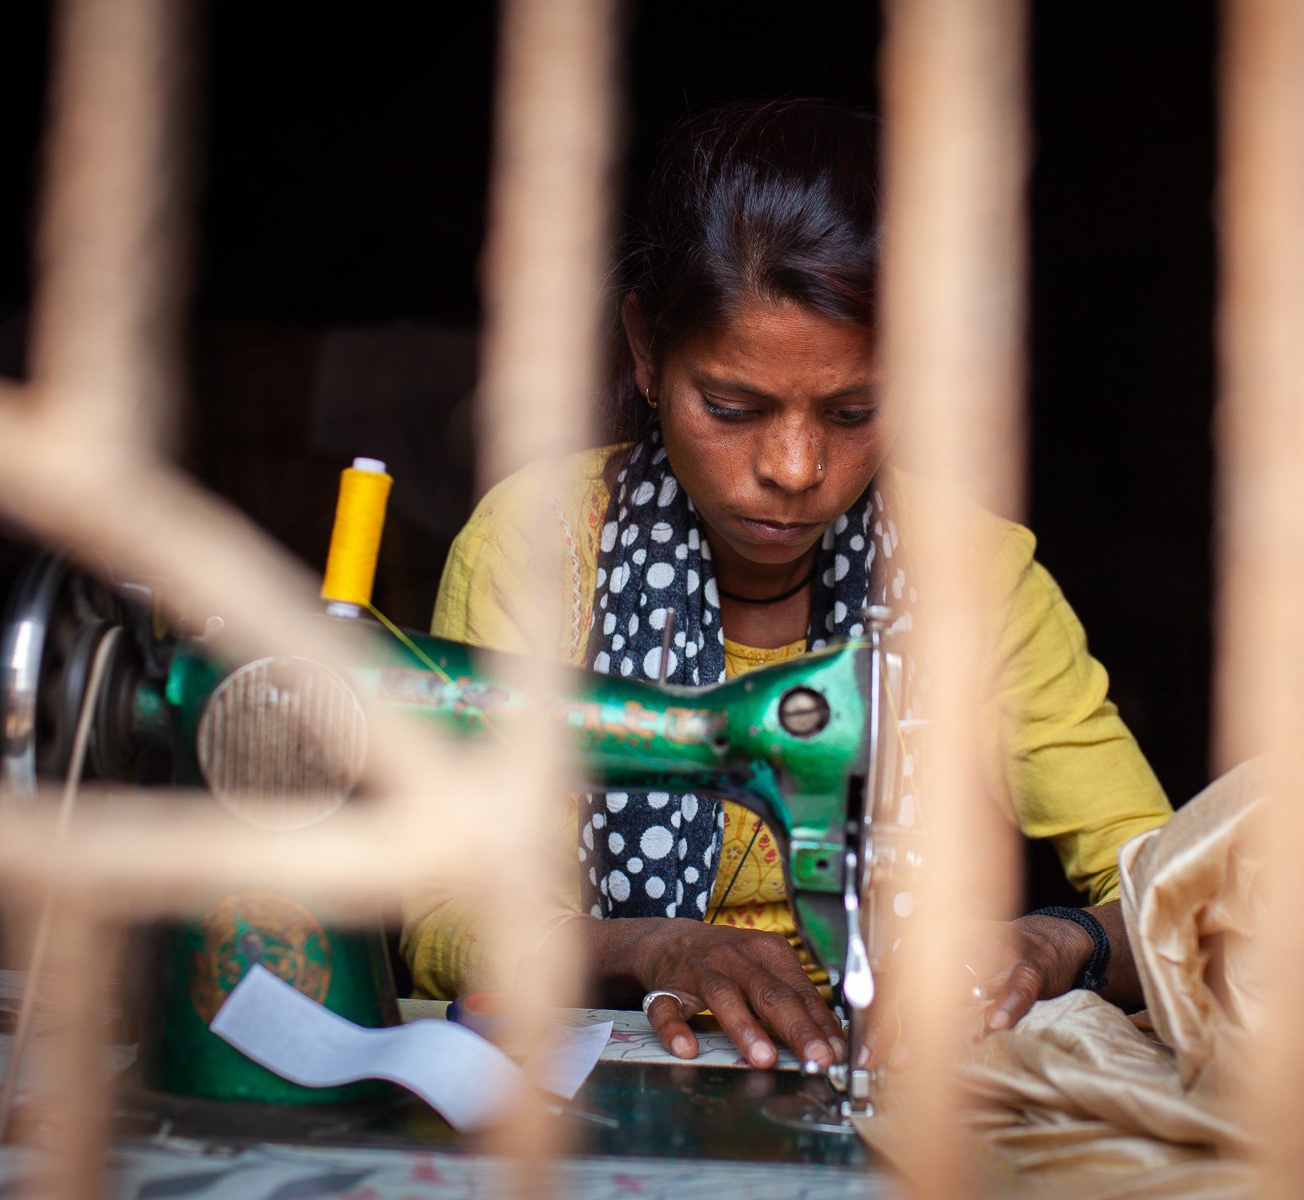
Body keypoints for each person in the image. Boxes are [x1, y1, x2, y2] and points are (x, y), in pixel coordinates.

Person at [402, 98, 1172, 1074]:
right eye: (733, 407)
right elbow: (444, 913)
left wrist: (1062, 942)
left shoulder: (971, 576)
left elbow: (1182, 887)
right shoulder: (538, 550)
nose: (796, 468)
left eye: (855, 412)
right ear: (645, 351)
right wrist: (651, 946)